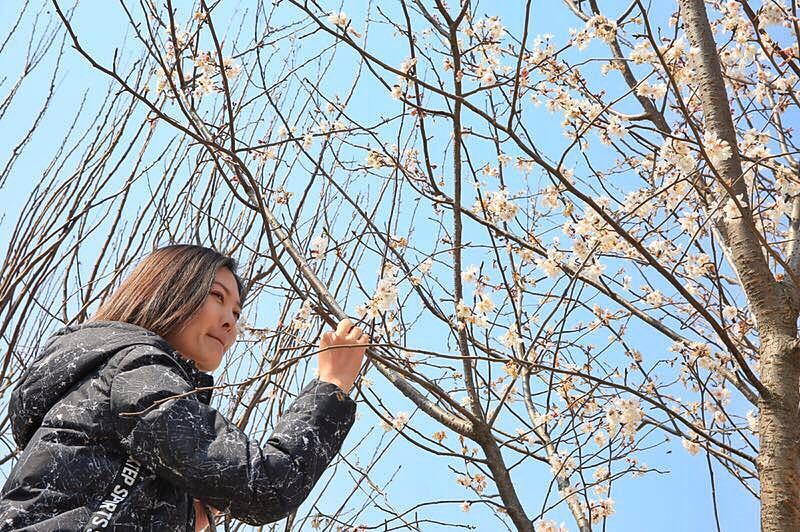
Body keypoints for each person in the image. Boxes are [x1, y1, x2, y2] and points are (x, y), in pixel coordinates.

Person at [0, 244, 369, 531]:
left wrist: (180, 514)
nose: (230, 323)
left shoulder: (110, 379)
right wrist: (332, 386)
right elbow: (267, 485)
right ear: (170, 291)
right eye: (217, 297)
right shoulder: (135, 368)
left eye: (237, 313)